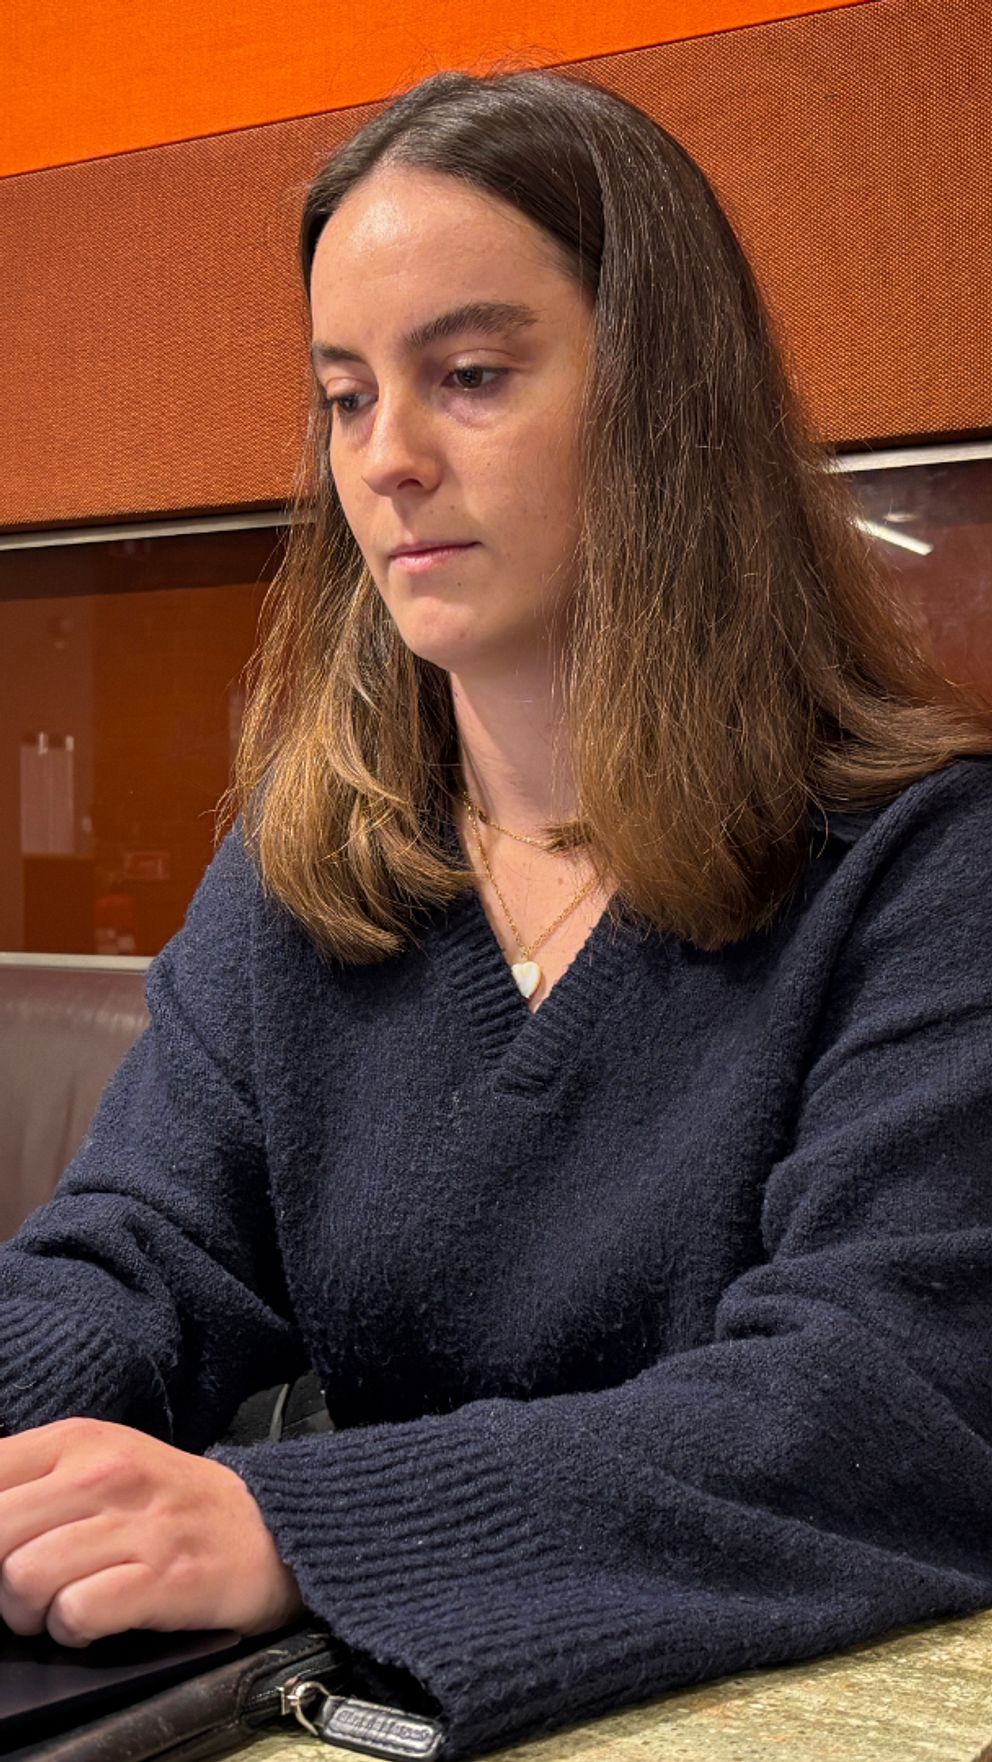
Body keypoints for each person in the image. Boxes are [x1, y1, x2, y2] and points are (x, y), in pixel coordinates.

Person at [2, 62, 992, 1762]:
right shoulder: (310, 867)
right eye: (345, 395)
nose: (386, 458)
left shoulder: (923, 866)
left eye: (469, 376)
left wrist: (298, 1522)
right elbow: (132, 1257)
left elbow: (884, 1398)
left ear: (664, 400)